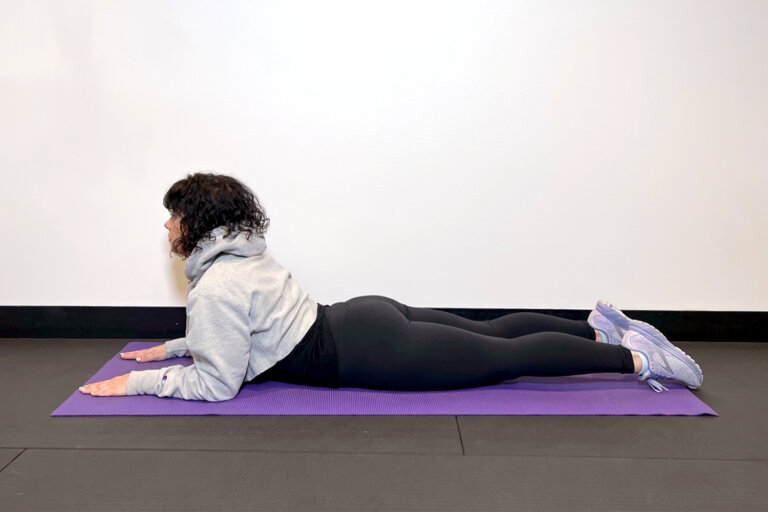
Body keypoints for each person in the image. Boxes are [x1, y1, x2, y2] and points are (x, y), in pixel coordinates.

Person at [79, 173, 703, 401]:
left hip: (369, 353)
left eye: (174, 214)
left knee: (508, 359)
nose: (166, 225)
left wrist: (136, 383)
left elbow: (220, 383)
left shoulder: (213, 288)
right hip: (363, 315)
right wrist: (176, 346)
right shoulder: (244, 255)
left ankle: (642, 358)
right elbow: (244, 329)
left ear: (201, 226)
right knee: (491, 333)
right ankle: (597, 326)